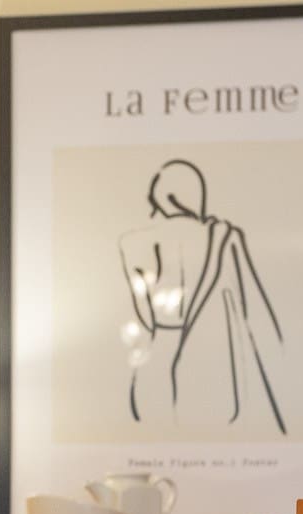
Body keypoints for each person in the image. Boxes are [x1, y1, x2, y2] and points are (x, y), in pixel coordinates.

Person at [115, 159, 287, 433]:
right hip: (207, 354)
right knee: (207, 429)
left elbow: (143, 314)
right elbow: (248, 305)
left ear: (163, 196)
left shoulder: (132, 242)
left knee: (156, 429)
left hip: (159, 347)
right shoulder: (223, 236)